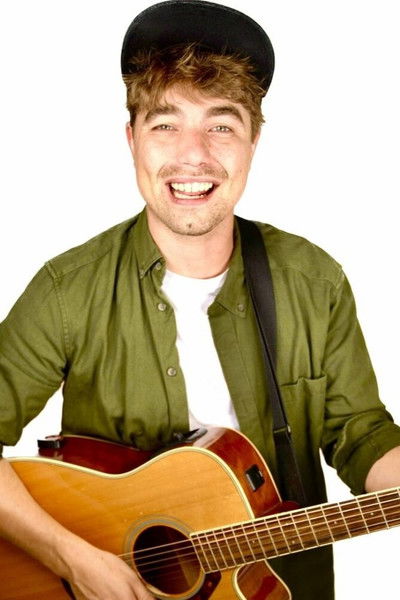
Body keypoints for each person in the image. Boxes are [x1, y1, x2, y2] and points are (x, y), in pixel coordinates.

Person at [0, 1, 399, 599]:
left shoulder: (314, 281)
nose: (194, 155)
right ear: (132, 140)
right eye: (165, 124)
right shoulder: (67, 290)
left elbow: (363, 434)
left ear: (254, 141)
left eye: (221, 125)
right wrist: (74, 558)